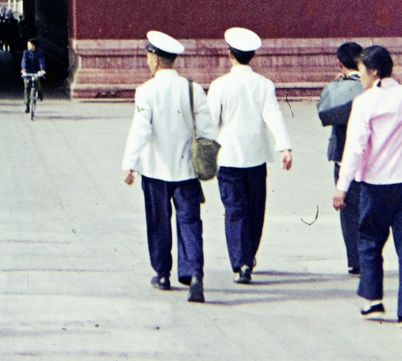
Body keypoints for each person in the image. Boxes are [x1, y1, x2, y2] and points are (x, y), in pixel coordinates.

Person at [335, 44, 402, 327]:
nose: (359, 75)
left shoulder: (365, 102)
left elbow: (355, 147)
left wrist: (342, 185)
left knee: (370, 242)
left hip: (376, 185)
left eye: (361, 69)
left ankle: (373, 301)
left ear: (373, 71)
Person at [122, 31, 214, 303]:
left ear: (155, 60)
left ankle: (163, 273)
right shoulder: (192, 88)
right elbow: (207, 130)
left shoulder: (146, 91)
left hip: (155, 170)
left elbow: (141, 130)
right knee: (190, 222)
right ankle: (194, 273)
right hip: (186, 170)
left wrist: (129, 164)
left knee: (159, 222)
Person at [207, 26, 293, 284]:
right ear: (252, 56)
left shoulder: (219, 85)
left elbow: (210, 122)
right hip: (256, 157)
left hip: (229, 157)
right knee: (255, 210)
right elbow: (273, 116)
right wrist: (284, 146)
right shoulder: (264, 85)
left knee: (234, 210)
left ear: (229, 55)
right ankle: (249, 256)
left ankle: (241, 262)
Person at [317, 42, 364, 274]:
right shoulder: (372, 87)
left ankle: (355, 260)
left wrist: (337, 85)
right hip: (371, 159)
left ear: (339, 63)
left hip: (342, 156)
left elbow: (323, 112)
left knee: (349, 212)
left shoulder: (336, 87)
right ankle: (370, 253)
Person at [21, 36, 46, 113]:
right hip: (28, 72)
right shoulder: (26, 52)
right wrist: (23, 69)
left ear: (33, 45)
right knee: (26, 87)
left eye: (29, 44)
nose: (28, 46)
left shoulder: (39, 52)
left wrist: (42, 70)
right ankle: (27, 105)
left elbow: (41, 61)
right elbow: (24, 61)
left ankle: (39, 92)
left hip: (35, 71)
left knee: (36, 80)